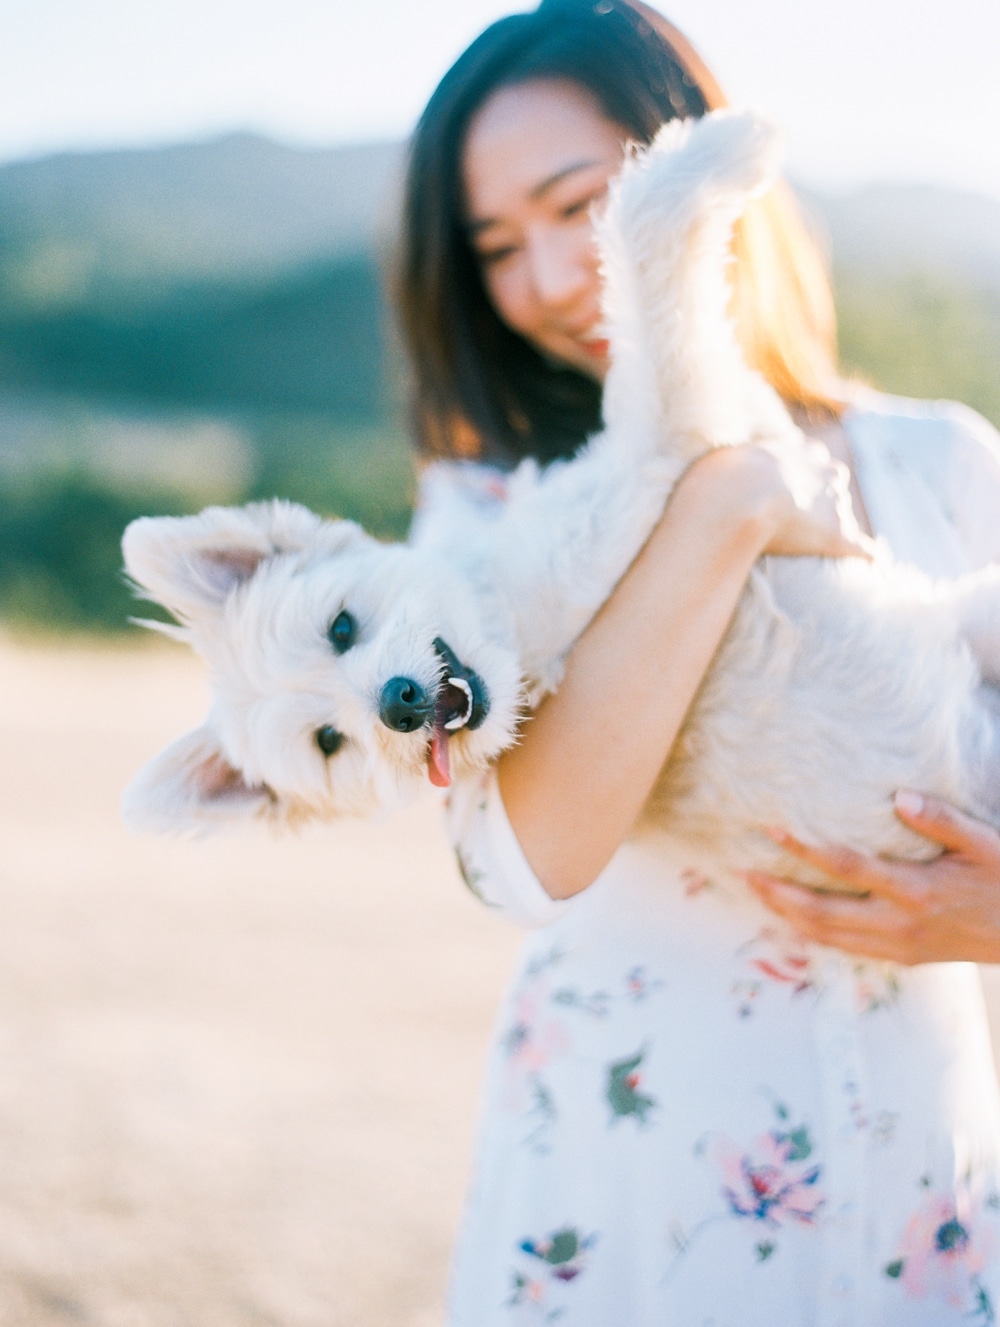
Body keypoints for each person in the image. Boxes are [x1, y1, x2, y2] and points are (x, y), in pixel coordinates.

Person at [397, 0, 1000, 1320]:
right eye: (499, 245)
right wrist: (725, 504)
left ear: (695, 180)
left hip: (917, 1160)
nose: (556, 276)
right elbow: (524, 853)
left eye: (580, 205)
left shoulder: (941, 461)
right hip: (634, 1168)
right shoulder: (487, 517)